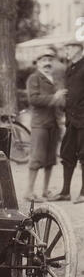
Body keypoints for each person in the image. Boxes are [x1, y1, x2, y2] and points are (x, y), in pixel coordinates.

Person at [24, 48, 66, 202]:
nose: (47, 63)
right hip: (40, 124)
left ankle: (45, 190)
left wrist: (62, 104)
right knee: (36, 158)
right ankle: (28, 191)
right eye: (43, 60)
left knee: (50, 159)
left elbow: (60, 101)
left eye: (50, 60)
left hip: (54, 123)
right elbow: (33, 99)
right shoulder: (33, 79)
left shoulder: (55, 79)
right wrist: (54, 98)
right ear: (37, 63)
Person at [50, 40, 84, 204]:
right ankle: (65, 192)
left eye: (70, 47)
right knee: (67, 154)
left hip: (83, 118)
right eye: (66, 48)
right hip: (71, 119)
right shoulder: (71, 68)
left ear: (79, 49)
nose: (67, 51)